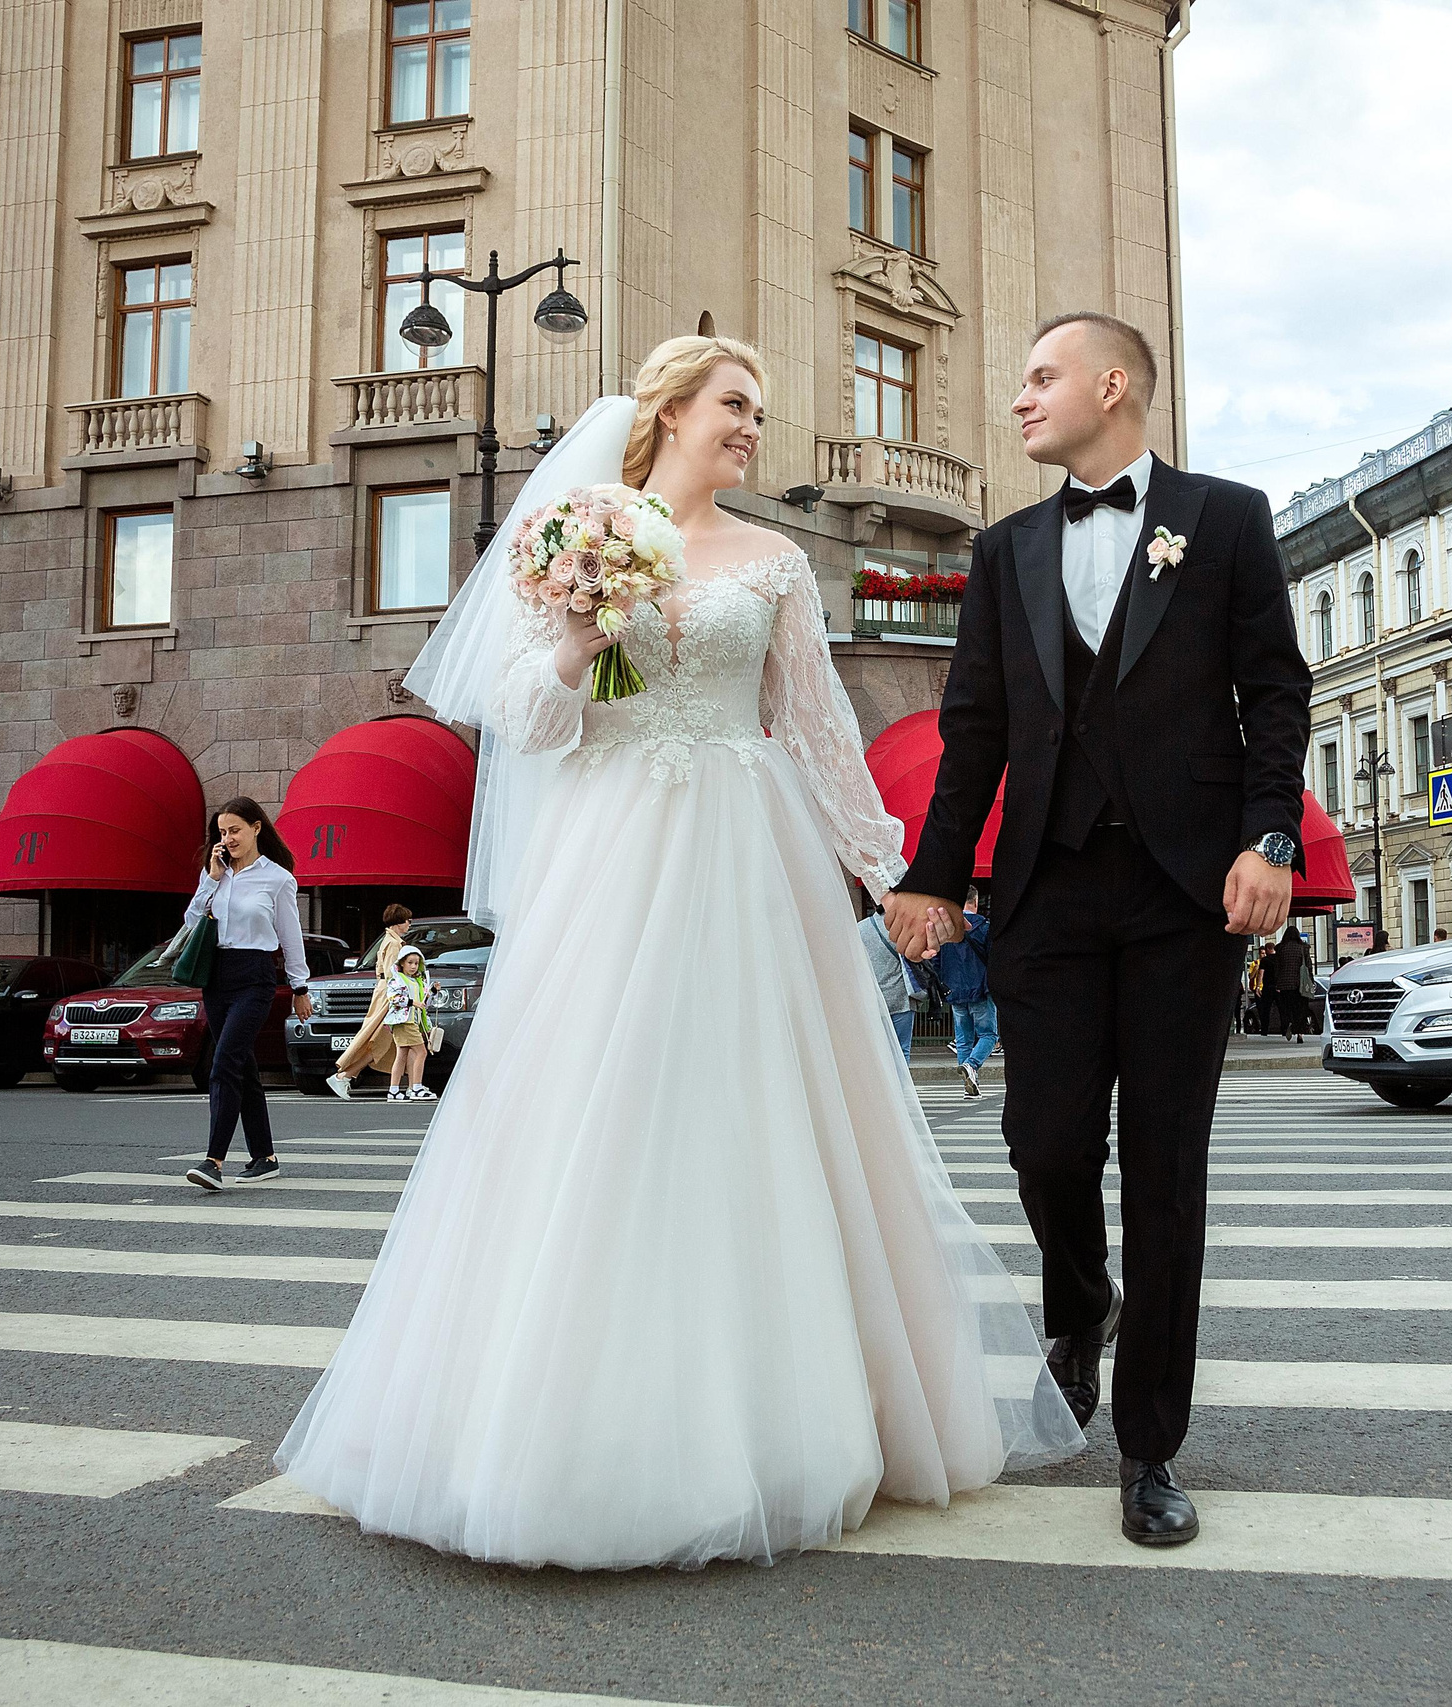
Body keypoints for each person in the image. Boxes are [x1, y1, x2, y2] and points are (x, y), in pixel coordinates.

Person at [274, 336, 1081, 1570]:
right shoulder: (580, 535)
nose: (753, 427)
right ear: (667, 412)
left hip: (740, 851)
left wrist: (899, 877)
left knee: (751, 1118)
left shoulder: (774, 562)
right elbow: (530, 726)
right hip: (608, 855)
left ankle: (777, 1420)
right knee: (594, 1112)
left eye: (760, 409)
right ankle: (553, 1431)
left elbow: (816, 730)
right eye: (735, 405)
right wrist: (579, 627)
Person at [883, 311, 1312, 1547]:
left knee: (1167, 1171)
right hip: (1048, 892)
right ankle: (1082, 1303)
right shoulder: (1005, 545)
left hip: (1187, 895)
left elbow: (1273, 691)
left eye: (1038, 378)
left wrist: (1267, 839)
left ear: (1110, 385)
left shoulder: (1223, 517)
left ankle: (1148, 1449)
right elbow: (972, 731)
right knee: (1045, 1147)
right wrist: (932, 875)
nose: (1019, 400)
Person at [179, 798, 314, 1191]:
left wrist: (299, 987)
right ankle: (265, 1156)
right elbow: (190, 922)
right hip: (216, 978)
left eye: (234, 830)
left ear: (256, 828)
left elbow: (290, 937)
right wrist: (211, 877)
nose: (228, 839)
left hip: (255, 977)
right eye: (222, 832)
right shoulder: (217, 876)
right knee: (243, 1067)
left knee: (224, 1063)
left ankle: (213, 1161)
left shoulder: (278, 879)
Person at [328, 903, 414, 1099]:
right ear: (398, 922)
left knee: (395, 1041)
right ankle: (345, 1076)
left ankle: (411, 1085)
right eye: (408, 920)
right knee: (382, 1040)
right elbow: (394, 975)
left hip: (385, 993)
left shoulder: (388, 941)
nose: (409, 924)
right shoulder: (393, 944)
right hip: (390, 996)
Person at [932, 890, 997, 1097]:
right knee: (988, 1034)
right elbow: (994, 959)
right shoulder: (984, 927)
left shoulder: (947, 928)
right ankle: (972, 1066)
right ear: (975, 902)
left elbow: (935, 959)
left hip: (954, 989)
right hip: (979, 988)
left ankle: (968, 1083)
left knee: (963, 1038)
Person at [378, 946, 435, 1102]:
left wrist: (432, 992)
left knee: (401, 1055)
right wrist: (412, 1002)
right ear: (402, 963)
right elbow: (393, 998)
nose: (413, 966)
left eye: (416, 963)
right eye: (410, 962)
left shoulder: (418, 981)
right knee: (421, 1052)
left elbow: (424, 1003)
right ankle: (416, 1087)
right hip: (404, 1022)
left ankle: (394, 1090)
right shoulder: (397, 979)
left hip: (412, 1021)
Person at [858, 909, 917, 1061]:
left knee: (877, 1051)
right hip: (902, 997)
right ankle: (903, 1085)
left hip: (874, 998)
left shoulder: (860, 928)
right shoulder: (903, 928)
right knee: (902, 1050)